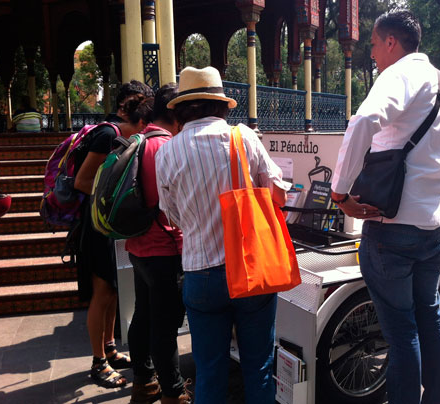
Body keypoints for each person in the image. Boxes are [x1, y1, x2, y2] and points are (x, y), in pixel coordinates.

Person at [329, 10, 440, 404]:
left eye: (373, 45)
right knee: (429, 318)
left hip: (390, 228)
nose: (371, 54)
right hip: (433, 229)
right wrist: (436, 199)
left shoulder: (397, 75)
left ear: (391, 42)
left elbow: (363, 122)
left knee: (402, 331)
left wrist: (340, 195)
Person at [155, 66, 289, 404]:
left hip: (201, 275)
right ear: (221, 105)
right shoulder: (242, 137)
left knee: (209, 372)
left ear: (183, 108)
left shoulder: (167, 151)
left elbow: (171, 215)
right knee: (258, 367)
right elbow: (277, 195)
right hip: (250, 271)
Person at [73, 81, 154, 389]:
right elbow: (82, 181)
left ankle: (110, 348)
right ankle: (98, 362)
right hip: (96, 225)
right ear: (124, 106)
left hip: (107, 222)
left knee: (113, 292)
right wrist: (113, 194)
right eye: (138, 104)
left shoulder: (120, 136)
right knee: (102, 292)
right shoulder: (107, 135)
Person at [125, 84, 191, 404]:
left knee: (143, 315)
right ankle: (173, 393)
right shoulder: (167, 147)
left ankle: (143, 381)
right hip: (164, 248)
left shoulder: (138, 141)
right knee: (165, 328)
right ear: (176, 113)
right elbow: (178, 206)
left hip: (138, 246)